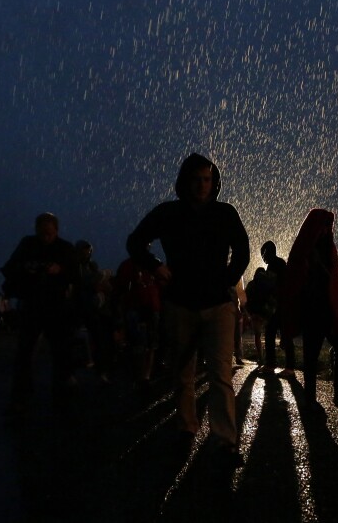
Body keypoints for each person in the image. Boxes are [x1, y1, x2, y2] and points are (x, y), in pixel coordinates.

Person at [126, 153, 250, 468]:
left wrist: (227, 280)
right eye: (196, 179)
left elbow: (243, 250)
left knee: (221, 374)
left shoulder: (224, 213)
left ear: (214, 181)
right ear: (185, 181)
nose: (201, 185)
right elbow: (136, 242)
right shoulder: (168, 213)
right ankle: (186, 427)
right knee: (183, 372)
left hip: (218, 305)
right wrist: (155, 266)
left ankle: (224, 440)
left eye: (207, 179)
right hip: (179, 303)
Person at [1, 212, 79, 415]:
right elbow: (10, 268)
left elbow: (75, 274)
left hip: (56, 307)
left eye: (49, 233)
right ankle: (22, 397)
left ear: (56, 230)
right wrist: (27, 269)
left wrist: (59, 270)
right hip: (32, 305)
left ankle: (61, 397)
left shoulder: (65, 248)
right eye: (42, 233)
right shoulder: (27, 245)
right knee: (24, 353)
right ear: (36, 230)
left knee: (60, 352)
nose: (45, 237)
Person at [280, 209, 338, 411]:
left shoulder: (327, 247)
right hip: (311, 310)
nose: (326, 229)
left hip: (328, 309)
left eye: (328, 225)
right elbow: (295, 280)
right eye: (324, 225)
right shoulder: (304, 248)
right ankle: (310, 400)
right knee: (311, 356)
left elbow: (334, 280)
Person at [113, 251, 163, 394]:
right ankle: (139, 377)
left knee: (151, 344)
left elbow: (162, 285)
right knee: (138, 344)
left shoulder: (155, 265)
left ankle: (145, 377)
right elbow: (119, 289)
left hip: (152, 308)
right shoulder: (127, 266)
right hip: (135, 308)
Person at [74, 239, 113, 384]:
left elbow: (95, 282)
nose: (87, 252)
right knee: (69, 340)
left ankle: (101, 372)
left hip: (91, 307)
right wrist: (100, 277)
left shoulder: (92, 265)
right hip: (77, 306)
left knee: (98, 339)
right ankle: (69, 374)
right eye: (84, 250)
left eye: (88, 250)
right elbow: (83, 282)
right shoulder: (74, 266)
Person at [260, 241, 296, 377]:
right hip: (284, 304)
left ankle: (272, 364)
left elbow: (270, 285)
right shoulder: (281, 263)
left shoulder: (273, 265)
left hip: (277, 306)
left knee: (270, 333)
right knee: (285, 334)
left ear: (267, 252)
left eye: (263, 253)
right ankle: (289, 367)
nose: (263, 257)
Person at [244, 267, 277, 364]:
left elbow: (246, 299)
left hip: (255, 313)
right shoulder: (267, 284)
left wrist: (248, 312)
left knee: (257, 336)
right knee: (269, 335)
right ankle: (270, 356)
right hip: (265, 313)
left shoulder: (251, 284)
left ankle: (261, 357)